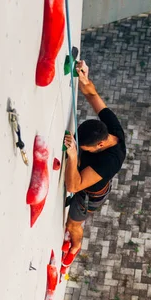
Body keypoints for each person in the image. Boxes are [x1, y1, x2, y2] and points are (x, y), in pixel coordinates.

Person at [62, 60, 126, 265]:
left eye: (85, 147)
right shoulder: (111, 129)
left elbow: (73, 185)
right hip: (89, 176)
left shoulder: (110, 161)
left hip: (89, 194)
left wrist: (73, 155)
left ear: (99, 145)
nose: (81, 146)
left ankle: (75, 246)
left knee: (73, 225)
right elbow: (92, 95)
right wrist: (84, 78)